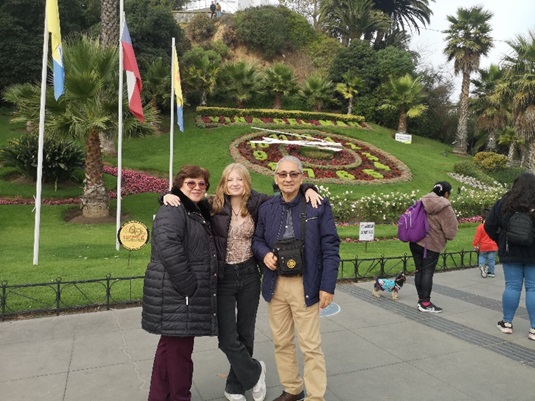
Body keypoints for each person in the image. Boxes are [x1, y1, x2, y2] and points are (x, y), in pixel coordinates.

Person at [162, 162, 322, 401]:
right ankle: (255, 371)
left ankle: (235, 386)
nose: (234, 184)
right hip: (223, 277)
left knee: (245, 333)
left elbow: (287, 192)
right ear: (223, 183)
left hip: (248, 275)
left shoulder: (258, 203)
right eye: (230, 179)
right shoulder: (212, 205)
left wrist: (308, 187)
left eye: (239, 179)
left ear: (246, 182)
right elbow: (186, 201)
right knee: (227, 338)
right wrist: (166, 195)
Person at [252, 155, 340, 401]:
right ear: (276, 178)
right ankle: (292, 389)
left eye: (293, 174)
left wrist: (327, 285)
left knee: (310, 346)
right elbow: (257, 240)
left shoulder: (317, 205)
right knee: (281, 342)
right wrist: (264, 253)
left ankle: (315, 397)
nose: (288, 179)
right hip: (276, 283)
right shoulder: (267, 208)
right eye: (283, 174)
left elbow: (330, 246)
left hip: (305, 283)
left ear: (302, 177)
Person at [142, 165, 218, 401]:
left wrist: (307, 187)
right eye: (190, 183)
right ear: (180, 186)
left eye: (201, 183)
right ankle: (179, 397)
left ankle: (159, 396)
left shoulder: (195, 209)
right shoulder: (173, 209)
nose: (197, 187)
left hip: (178, 294)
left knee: (169, 349)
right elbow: (168, 248)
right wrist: (188, 286)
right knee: (180, 355)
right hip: (178, 294)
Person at [484, 172, 535, 340]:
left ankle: (507, 323)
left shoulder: (504, 204)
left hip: (510, 250)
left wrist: (501, 239)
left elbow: (489, 226)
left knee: (512, 286)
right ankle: (534, 329)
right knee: (533, 288)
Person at [410, 181, 458, 313]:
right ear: (446, 193)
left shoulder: (422, 200)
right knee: (427, 272)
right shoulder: (445, 207)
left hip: (415, 241)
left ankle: (421, 300)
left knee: (419, 270)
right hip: (431, 244)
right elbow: (451, 232)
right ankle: (425, 303)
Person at [472, 208, 498, 278]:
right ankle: (491, 272)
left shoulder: (480, 227)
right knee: (491, 260)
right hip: (493, 246)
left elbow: (477, 237)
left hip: (483, 246)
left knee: (482, 257)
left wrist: (475, 244)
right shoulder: (494, 226)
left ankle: (482, 265)